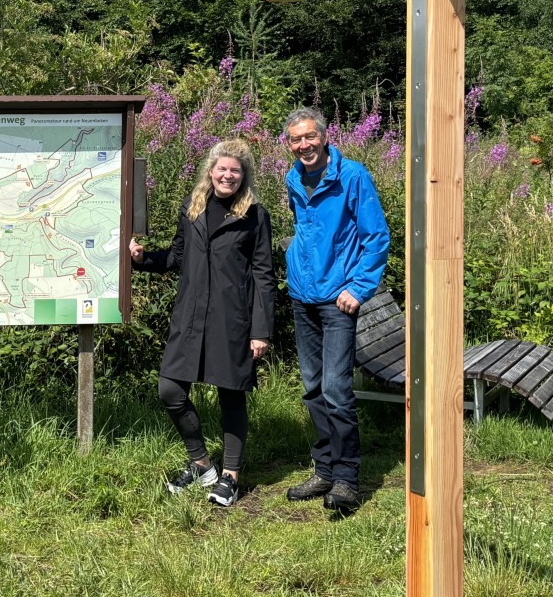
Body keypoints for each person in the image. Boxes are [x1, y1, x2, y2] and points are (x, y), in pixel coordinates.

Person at [129, 138, 274, 507]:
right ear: (210, 171)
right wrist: (142, 259)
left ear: (244, 176)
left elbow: (263, 275)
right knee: (170, 390)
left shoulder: (254, 215)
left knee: (231, 395)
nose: (228, 175)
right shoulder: (192, 208)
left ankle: (230, 477)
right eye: (222, 169)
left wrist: (261, 330)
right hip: (190, 316)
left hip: (232, 319)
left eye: (235, 170)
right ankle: (201, 464)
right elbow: (177, 256)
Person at [281, 106, 389, 514]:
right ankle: (323, 469)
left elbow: (376, 237)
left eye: (310, 137)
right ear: (289, 144)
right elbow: (305, 231)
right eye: (296, 139)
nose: (304, 145)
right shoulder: (293, 178)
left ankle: (346, 478)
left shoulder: (353, 176)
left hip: (337, 299)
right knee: (312, 387)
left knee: (336, 390)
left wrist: (358, 288)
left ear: (324, 137)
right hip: (302, 296)